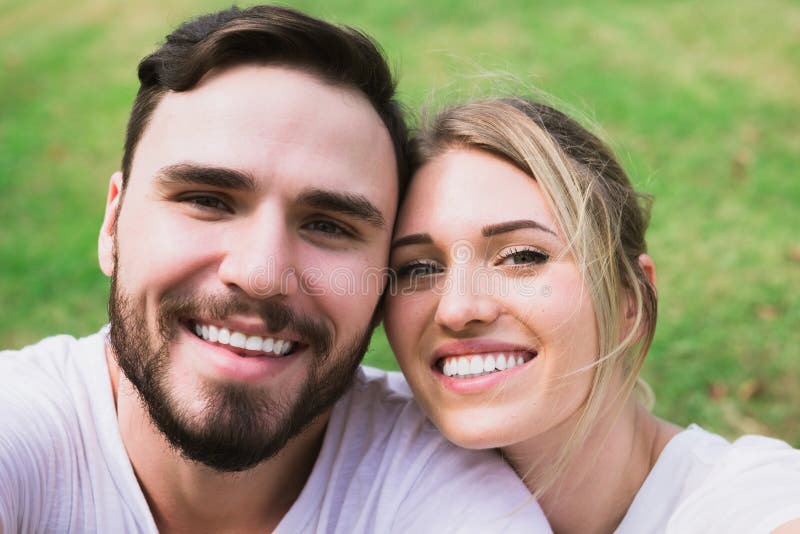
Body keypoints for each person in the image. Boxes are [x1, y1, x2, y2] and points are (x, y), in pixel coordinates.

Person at [0, 7, 551, 533]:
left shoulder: (443, 491)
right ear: (112, 225)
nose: (261, 274)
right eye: (208, 200)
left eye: (330, 225)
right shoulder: (20, 428)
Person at [384, 96, 800, 533]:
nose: (458, 308)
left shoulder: (757, 504)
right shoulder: (367, 467)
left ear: (630, 299)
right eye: (419, 268)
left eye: (521, 256)